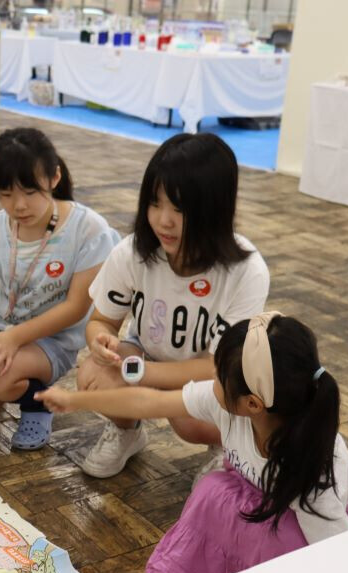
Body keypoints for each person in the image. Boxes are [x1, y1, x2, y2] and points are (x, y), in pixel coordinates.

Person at [38, 313, 348, 573]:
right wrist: (74, 401)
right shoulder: (236, 402)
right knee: (211, 492)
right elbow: (148, 401)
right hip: (257, 496)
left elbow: (336, 555)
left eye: (218, 376)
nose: (211, 381)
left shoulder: (310, 473)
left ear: (252, 404)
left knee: (273, 540)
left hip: (299, 526)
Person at [73, 132, 270, 478]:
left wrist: (140, 374)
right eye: (155, 203)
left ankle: (228, 451)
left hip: (212, 375)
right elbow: (101, 320)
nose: (163, 220)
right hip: (144, 356)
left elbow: (217, 367)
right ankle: (126, 431)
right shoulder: (133, 252)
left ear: (215, 209)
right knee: (92, 377)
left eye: (179, 209)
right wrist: (100, 341)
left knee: (188, 418)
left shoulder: (246, 271)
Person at [0, 128, 119, 450]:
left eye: (30, 192)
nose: (18, 206)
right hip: (0, 330)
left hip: (52, 340)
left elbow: (76, 307)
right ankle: (17, 389)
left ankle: (37, 403)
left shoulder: (87, 230)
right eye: (6, 194)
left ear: (54, 178)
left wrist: (13, 338)